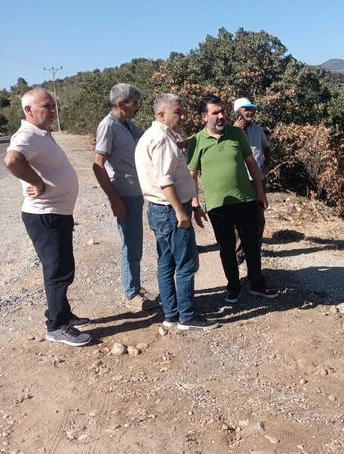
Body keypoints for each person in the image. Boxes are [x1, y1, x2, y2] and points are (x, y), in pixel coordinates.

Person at [3, 87, 91, 346]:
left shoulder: (40, 132)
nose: (53, 110)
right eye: (46, 106)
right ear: (28, 110)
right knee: (58, 270)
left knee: (61, 267)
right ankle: (57, 326)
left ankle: (62, 313)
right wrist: (36, 182)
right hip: (45, 215)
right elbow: (11, 160)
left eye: (53, 106)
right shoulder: (27, 134)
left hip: (56, 213)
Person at [134, 94, 217, 331]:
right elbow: (165, 180)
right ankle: (187, 316)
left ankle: (171, 314)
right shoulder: (162, 139)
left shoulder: (157, 135)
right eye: (177, 112)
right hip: (171, 209)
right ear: (161, 115)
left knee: (167, 262)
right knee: (186, 263)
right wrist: (181, 211)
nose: (183, 116)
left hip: (159, 209)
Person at [188, 94, 278, 303]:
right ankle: (233, 287)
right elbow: (192, 175)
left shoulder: (236, 133)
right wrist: (195, 204)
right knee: (227, 248)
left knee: (252, 244)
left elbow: (251, 163)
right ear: (204, 116)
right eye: (215, 112)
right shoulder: (197, 141)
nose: (221, 116)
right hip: (217, 205)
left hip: (245, 199)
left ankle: (257, 284)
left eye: (222, 111)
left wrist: (260, 191)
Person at [93, 83, 157, 312]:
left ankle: (135, 287)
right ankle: (131, 294)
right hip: (124, 193)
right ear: (121, 104)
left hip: (136, 192)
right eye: (135, 103)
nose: (138, 107)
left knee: (136, 242)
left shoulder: (128, 124)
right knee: (130, 244)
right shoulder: (108, 126)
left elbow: (147, 142)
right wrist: (114, 199)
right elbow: (98, 165)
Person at [233, 97, 271, 256]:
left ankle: (256, 249)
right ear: (238, 112)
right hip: (239, 180)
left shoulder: (258, 130)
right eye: (246, 109)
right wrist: (235, 131)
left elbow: (266, 147)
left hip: (258, 179)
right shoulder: (229, 131)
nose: (250, 112)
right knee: (239, 218)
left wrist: (267, 164)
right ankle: (239, 252)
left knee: (258, 216)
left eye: (251, 109)